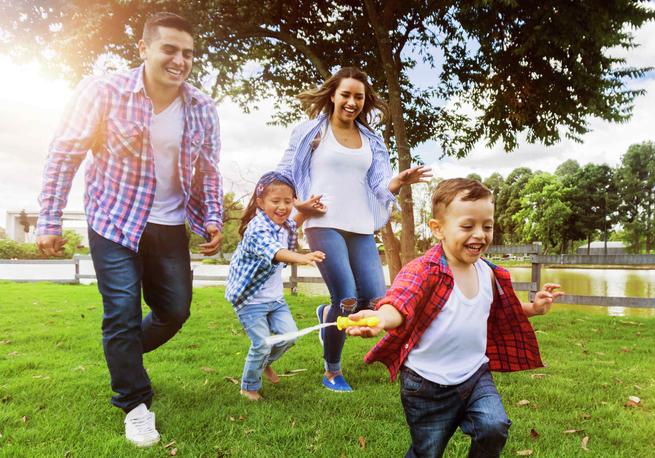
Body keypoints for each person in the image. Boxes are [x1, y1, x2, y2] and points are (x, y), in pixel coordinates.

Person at [35, 12, 223, 447]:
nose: (180, 61)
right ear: (143, 49)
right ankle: (135, 403)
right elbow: (65, 154)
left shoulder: (202, 107)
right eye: (170, 49)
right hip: (115, 220)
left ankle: (121, 356)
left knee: (174, 311)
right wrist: (49, 218)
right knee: (120, 312)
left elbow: (207, 172)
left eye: (189, 53)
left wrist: (211, 215)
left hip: (170, 224)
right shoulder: (104, 91)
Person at [346, 178, 564, 457]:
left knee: (494, 426)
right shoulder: (423, 270)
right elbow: (401, 302)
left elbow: (499, 308)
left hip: (475, 375)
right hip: (426, 385)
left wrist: (533, 308)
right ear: (438, 229)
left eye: (487, 226)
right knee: (427, 451)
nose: (480, 234)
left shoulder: (488, 272)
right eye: (467, 226)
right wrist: (380, 319)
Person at [277, 66, 431, 392]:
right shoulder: (312, 132)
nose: (351, 102)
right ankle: (332, 371)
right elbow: (285, 171)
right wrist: (295, 207)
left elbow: (378, 186)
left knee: (375, 301)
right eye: (345, 94)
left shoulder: (372, 140)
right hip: (323, 222)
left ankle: (326, 315)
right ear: (332, 95)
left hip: (360, 224)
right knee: (346, 299)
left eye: (358, 97)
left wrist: (399, 181)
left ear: (365, 101)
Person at [225, 171, 326, 401]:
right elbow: (275, 252)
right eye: (275, 201)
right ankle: (248, 387)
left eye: (288, 201)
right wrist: (302, 257)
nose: (282, 207)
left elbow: (294, 222)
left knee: (289, 336)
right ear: (260, 203)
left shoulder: (282, 223)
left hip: (274, 299)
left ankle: (263, 363)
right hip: (249, 300)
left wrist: (305, 210)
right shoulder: (257, 228)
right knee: (261, 343)